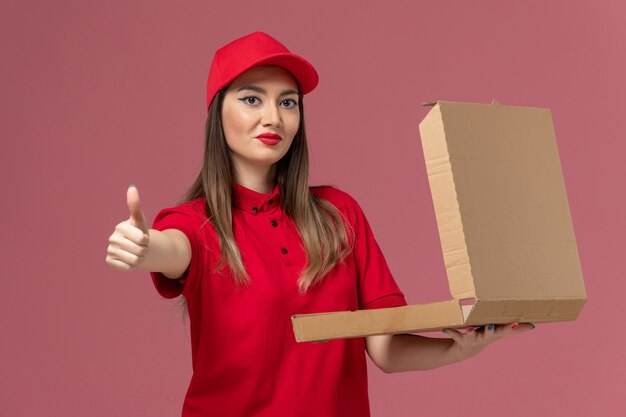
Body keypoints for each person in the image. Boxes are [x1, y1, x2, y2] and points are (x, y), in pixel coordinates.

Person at [105, 31, 534, 417]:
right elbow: (172, 249)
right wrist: (146, 246)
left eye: (287, 102)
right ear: (218, 112)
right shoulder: (197, 225)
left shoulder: (339, 215)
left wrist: (461, 348)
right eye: (252, 98)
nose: (273, 117)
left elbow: (384, 347)